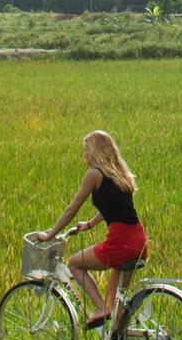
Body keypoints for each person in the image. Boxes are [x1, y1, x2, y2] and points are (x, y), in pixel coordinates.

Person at [42, 130, 145, 329]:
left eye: (87, 148)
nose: (85, 153)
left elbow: (72, 208)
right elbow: (113, 207)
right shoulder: (118, 173)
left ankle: (99, 308)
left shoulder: (94, 174)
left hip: (120, 243)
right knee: (115, 307)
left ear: (97, 150)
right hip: (138, 240)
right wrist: (89, 224)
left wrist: (49, 235)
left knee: (74, 263)